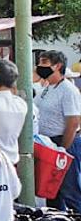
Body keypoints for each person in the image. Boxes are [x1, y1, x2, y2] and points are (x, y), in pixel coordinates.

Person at [33, 50, 81, 210]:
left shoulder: (68, 90)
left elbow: (73, 122)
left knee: (70, 191)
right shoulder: (48, 88)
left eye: (44, 62)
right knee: (52, 192)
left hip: (63, 142)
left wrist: (63, 149)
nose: (39, 66)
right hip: (48, 143)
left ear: (58, 66)